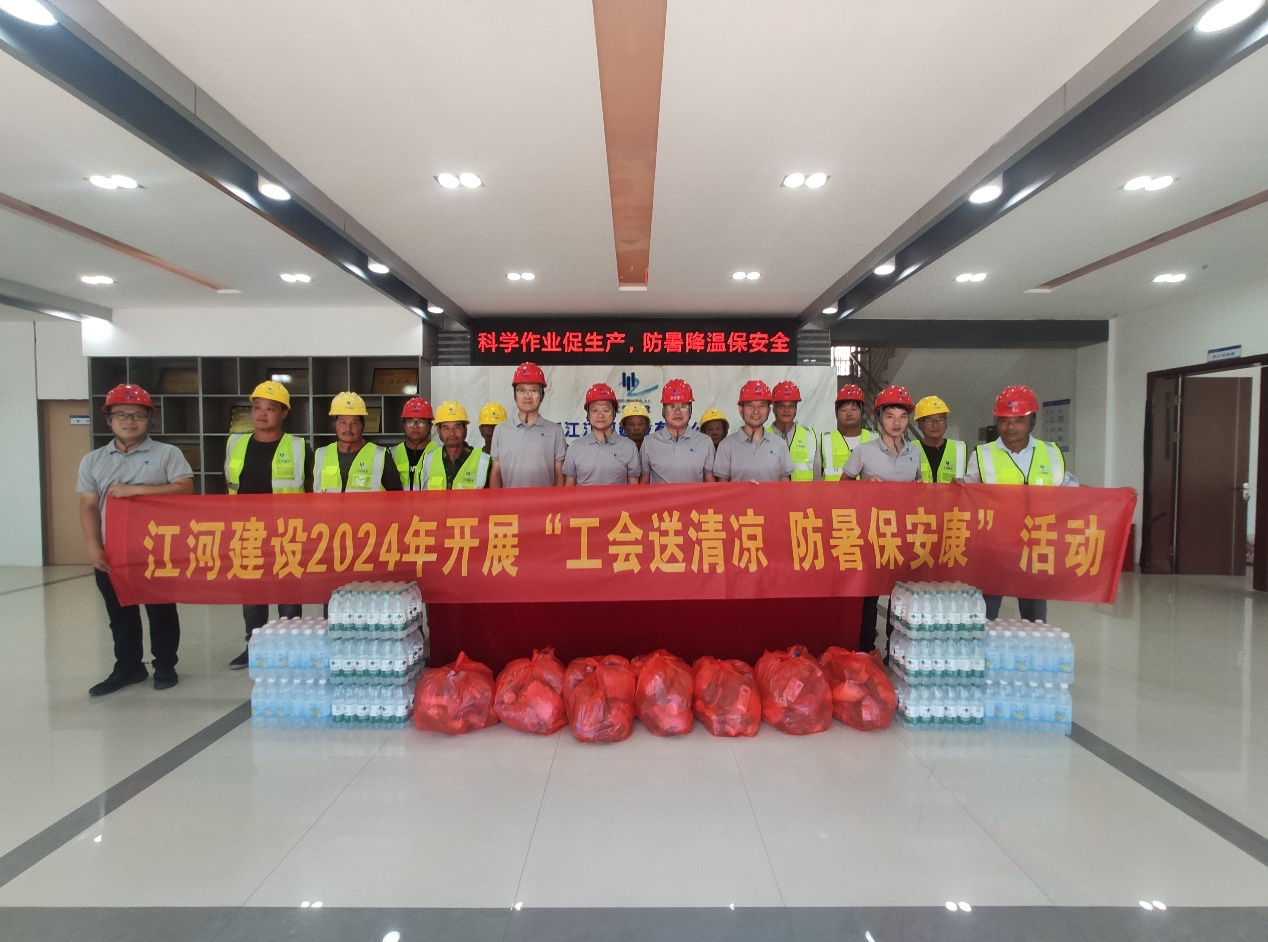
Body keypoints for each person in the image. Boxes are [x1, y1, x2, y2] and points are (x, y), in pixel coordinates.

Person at [78, 384, 194, 696]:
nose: (130, 421)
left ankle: (165, 665)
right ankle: (128, 667)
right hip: (113, 552)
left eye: (138, 415)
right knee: (120, 614)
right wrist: (93, 546)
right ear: (109, 420)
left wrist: (136, 490)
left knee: (161, 611)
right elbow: (88, 505)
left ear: (149, 419)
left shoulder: (167, 454)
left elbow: (184, 488)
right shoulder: (93, 460)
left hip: (157, 550)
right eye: (122, 415)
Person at [962, 384, 1079, 622]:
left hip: (1037, 544)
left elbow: (1070, 490)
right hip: (995, 545)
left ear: (1032, 421)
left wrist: (1114, 497)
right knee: (986, 612)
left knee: (1035, 615)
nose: (1010, 427)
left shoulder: (1051, 453)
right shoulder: (982, 455)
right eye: (1004, 420)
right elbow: (967, 493)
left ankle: (1033, 645)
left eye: (1018, 420)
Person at [225, 380, 313, 669]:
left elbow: (310, 491)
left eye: (271, 408)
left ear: (284, 413)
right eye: (257, 407)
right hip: (246, 532)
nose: (262, 414)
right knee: (252, 595)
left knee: (288, 594)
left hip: (286, 532)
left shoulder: (299, 447)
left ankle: (289, 646)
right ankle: (255, 646)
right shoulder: (235, 444)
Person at [840, 385, 921, 660]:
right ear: (879, 418)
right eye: (890, 416)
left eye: (902, 416)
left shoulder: (914, 452)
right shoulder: (863, 451)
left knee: (901, 596)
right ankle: (864, 652)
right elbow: (842, 487)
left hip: (904, 534)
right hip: (871, 532)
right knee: (869, 596)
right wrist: (864, 487)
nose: (896, 423)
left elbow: (920, 487)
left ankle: (894, 653)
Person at [489, 362, 565, 487]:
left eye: (534, 391)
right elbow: (496, 472)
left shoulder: (555, 431)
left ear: (542, 395)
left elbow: (559, 474)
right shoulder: (501, 430)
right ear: (515, 394)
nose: (527, 396)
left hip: (545, 500)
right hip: (510, 500)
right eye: (521, 390)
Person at [313, 392, 402, 492]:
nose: (348, 429)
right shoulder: (320, 455)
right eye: (343, 422)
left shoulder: (381, 456)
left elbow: (396, 496)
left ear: (363, 425)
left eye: (354, 423)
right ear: (334, 424)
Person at [713, 380, 793, 483]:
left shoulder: (779, 444)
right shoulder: (726, 446)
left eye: (761, 405)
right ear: (741, 410)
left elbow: (785, 485)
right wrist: (745, 489)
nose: (756, 411)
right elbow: (722, 486)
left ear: (769, 410)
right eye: (750, 405)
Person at [638, 379, 715, 483]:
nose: (677, 412)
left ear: (690, 410)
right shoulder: (649, 442)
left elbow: (709, 480)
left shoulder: (705, 442)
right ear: (663, 411)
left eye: (683, 407)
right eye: (671, 406)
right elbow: (644, 480)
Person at [563, 383, 641, 485]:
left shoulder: (629, 446)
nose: (600, 415)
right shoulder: (575, 447)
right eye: (595, 410)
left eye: (606, 410)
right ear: (588, 414)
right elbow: (569, 488)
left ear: (614, 413)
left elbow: (633, 489)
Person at [420, 401, 491, 489]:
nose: (452, 433)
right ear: (438, 431)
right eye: (446, 428)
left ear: (465, 429)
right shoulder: (428, 459)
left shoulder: (484, 460)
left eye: (457, 427)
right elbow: (424, 494)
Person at [821, 384, 876, 481]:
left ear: (862, 412)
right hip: (833, 491)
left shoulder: (874, 439)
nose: (849, 414)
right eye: (843, 410)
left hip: (866, 491)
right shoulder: (825, 440)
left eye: (854, 409)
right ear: (836, 414)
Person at [769, 380, 818, 480]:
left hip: (804, 490)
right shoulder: (764, 435)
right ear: (774, 408)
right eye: (781, 406)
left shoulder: (809, 435)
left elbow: (817, 473)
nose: (786, 410)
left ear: (796, 408)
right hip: (773, 490)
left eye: (791, 406)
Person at [913, 395, 967, 483]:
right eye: (929, 420)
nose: (935, 425)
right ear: (920, 424)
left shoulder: (959, 448)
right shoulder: (910, 449)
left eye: (940, 419)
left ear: (946, 423)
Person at [390, 397, 440, 490]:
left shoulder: (440, 453)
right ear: (404, 425)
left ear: (430, 426)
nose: (415, 426)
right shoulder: (391, 454)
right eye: (410, 422)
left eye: (421, 422)